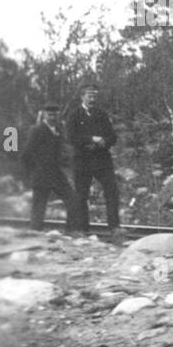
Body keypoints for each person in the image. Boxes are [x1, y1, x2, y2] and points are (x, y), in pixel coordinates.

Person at [66, 84, 121, 235]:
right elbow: (71, 137)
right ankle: (82, 229)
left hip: (102, 160)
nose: (92, 99)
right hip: (82, 161)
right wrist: (91, 139)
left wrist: (104, 142)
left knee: (112, 191)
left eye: (94, 96)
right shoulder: (74, 115)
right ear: (82, 97)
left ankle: (114, 227)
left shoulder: (102, 115)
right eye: (89, 96)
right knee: (81, 195)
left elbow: (113, 136)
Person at [23, 104, 81, 232]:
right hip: (41, 175)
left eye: (55, 114)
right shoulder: (36, 130)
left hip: (56, 174)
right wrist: (32, 173)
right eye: (50, 114)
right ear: (44, 114)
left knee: (73, 200)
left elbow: (61, 152)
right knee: (39, 207)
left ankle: (71, 232)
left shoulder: (59, 129)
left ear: (58, 115)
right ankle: (35, 234)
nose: (53, 117)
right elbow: (27, 153)